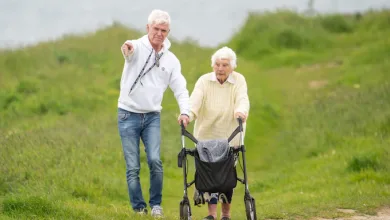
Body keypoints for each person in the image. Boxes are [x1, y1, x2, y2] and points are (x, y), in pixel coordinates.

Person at [117, 9, 190, 218]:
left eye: (164, 30)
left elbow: (180, 88)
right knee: (132, 167)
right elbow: (128, 52)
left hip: (151, 117)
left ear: (168, 32)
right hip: (127, 115)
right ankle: (139, 209)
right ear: (148, 27)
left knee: (155, 161)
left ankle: (156, 205)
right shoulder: (136, 46)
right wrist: (127, 49)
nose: (159, 33)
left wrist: (185, 111)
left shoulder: (171, 60)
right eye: (156, 29)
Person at [189, 46, 250, 220]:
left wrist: (240, 111)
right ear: (213, 65)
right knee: (210, 175)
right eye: (217, 64)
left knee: (225, 175)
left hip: (230, 135)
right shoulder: (203, 81)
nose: (220, 68)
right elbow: (195, 100)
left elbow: (242, 98)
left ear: (232, 67)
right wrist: (188, 114)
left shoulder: (239, 80)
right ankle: (211, 214)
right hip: (207, 136)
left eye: (225, 65)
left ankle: (226, 214)